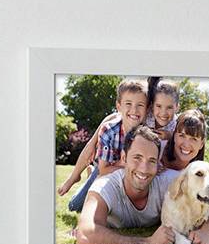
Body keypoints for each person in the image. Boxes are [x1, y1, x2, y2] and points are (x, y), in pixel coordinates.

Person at [73, 127, 174, 244]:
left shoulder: (167, 182)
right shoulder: (104, 186)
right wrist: (148, 242)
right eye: (137, 158)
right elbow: (85, 237)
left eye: (152, 161)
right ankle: (91, 174)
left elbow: (199, 188)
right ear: (124, 158)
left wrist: (203, 231)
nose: (144, 169)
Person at [60, 77, 150, 212]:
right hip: (105, 169)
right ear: (119, 106)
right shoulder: (109, 130)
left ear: (147, 109)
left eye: (140, 105)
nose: (134, 110)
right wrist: (128, 165)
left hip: (126, 174)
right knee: (75, 206)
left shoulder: (148, 134)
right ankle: (88, 176)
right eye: (128, 104)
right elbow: (104, 170)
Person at [157, 108, 209, 244]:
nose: (186, 144)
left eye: (194, 139)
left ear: (202, 143)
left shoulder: (197, 168)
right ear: (174, 135)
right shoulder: (156, 151)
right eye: (182, 135)